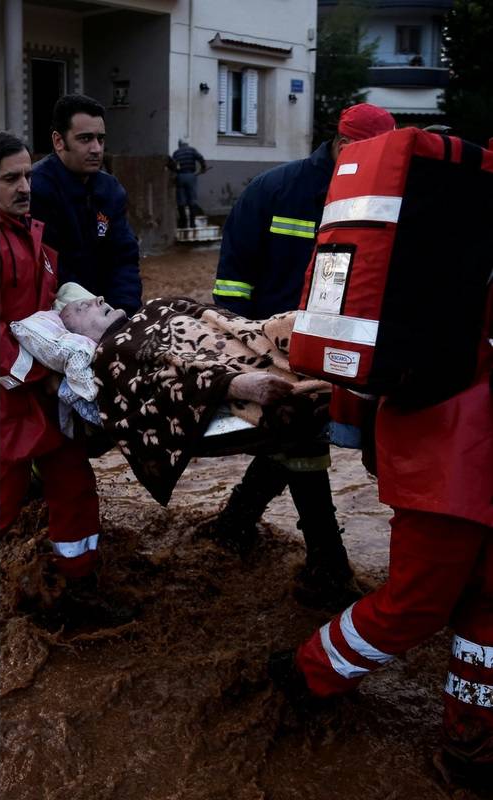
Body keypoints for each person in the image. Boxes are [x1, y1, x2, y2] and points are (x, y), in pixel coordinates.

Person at [271, 285, 493, 790]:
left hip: (454, 446)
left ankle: (472, 739)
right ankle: (306, 672)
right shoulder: (451, 230)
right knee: (417, 603)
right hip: (451, 455)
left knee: (484, 604)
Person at [204, 102, 397, 607]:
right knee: (301, 441)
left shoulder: (382, 199)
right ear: (340, 143)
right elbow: (231, 284)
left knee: (292, 439)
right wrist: (238, 349)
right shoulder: (274, 190)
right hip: (269, 347)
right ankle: (328, 567)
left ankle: (232, 529)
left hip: (334, 351)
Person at [0, 131, 126, 623]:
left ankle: (77, 586)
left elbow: (42, 315)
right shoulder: (1, 241)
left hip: (42, 394)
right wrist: (45, 379)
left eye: (28, 175)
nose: (24, 186)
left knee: (73, 486)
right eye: (10, 178)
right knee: (5, 497)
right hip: (14, 400)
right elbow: (2, 334)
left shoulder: (32, 237)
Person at [60, 293, 332, 509]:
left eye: (94, 299)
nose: (98, 300)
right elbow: (159, 388)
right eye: (84, 307)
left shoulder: (155, 306)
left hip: (250, 339)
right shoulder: (112, 354)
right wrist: (231, 385)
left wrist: (257, 333)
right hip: (227, 371)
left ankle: (235, 525)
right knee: (302, 410)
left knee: (292, 328)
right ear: (80, 338)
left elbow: (218, 318)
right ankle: (238, 525)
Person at [31, 94, 143, 315]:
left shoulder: (111, 190)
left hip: (106, 311)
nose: (96, 149)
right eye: (85, 139)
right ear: (58, 141)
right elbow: (50, 272)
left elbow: (124, 258)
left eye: (100, 139)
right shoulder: (36, 189)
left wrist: (124, 314)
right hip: (59, 314)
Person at [166, 138, 208, 228]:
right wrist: (203, 167)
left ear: (179, 144)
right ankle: (192, 224)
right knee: (192, 200)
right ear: (187, 144)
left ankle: (183, 224)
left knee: (181, 201)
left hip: (180, 177)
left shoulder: (176, 153)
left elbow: (172, 164)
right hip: (191, 176)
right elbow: (200, 158)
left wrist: (175, 172)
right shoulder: (192, 150)